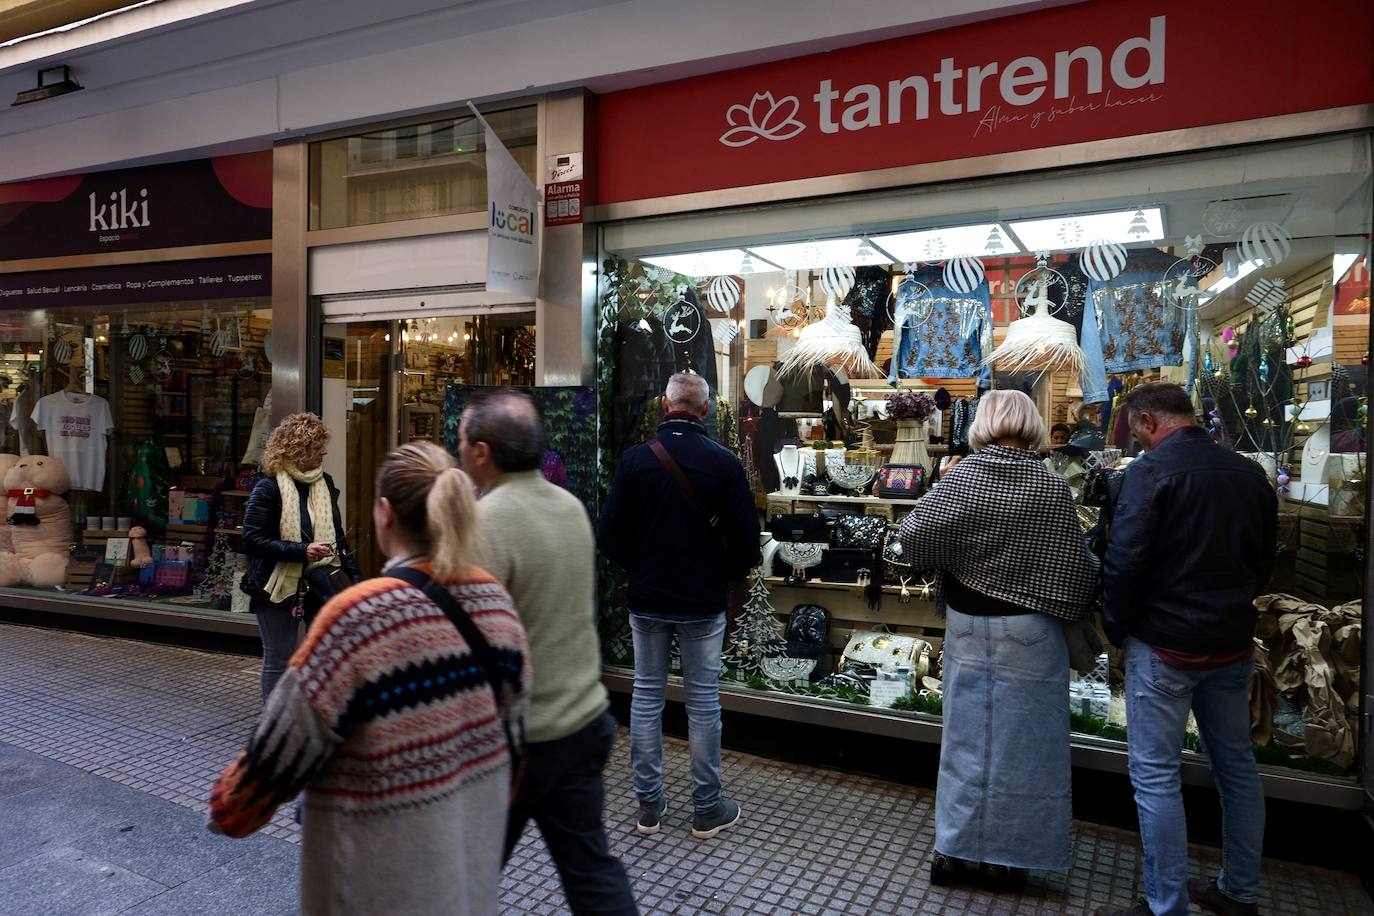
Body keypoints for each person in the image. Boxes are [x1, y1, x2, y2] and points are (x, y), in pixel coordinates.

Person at [210, 442, 530, 916]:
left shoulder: (360, 619)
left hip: (371, 889)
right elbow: (516, 752)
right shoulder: (496, 604)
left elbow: (242, 802)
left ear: (385, 514)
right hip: (470, 882)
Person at [899, 389, 1100, 889]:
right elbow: (1077, 570)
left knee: (964, 742)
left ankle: (952, 853)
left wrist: (960, 552)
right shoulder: (1048, 484)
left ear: (982, 423)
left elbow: (911, 541)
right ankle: (1006, 862)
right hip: (1031, 631)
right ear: (1031, 424)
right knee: (1026, 747)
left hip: (968, 626)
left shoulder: (960, 476)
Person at [1097, 383, 1276, 916]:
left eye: (1135, 429)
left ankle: (1166, 906)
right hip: (1230, 642)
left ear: (1147, 421)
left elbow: (1125, 561)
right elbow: (1265, 559)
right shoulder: (1248, 473)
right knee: (1236, 768)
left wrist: (1117, 628)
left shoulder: (1150, 472)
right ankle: (1239, 891)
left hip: (1165, 643)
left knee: (1156, 776)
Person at [459, 389, 638, 915]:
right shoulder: (569, 507)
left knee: (463, 876)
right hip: (583, 723)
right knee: (592, 871)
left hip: (521, 740)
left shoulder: (485, 522)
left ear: (482, 452)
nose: (459, 449)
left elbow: (471, 641)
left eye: (463, 439)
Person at [598, 371, 760, 840]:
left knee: (646, 697)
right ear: (705, 410)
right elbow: (747, 543)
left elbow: (609, 536)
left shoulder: (635, 461)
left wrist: (640, 566)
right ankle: (706, 808)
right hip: (702, 601)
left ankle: (649, 808)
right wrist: (722, 573)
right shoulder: (724, 463)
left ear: (665, 407)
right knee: (704, 703)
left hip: (648, 598)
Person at [239, 412, 359, 699]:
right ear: (296, 448)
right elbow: (252, 541)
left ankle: (311, 713)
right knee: (279, 659)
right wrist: (301, 551)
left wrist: (355, 580)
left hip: (320, 583)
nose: (324, 452)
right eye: (317, 447)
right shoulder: (268, 487)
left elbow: (339, 538)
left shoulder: (324, 483)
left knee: (325, 655)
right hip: (276, 587)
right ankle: (275, 718)